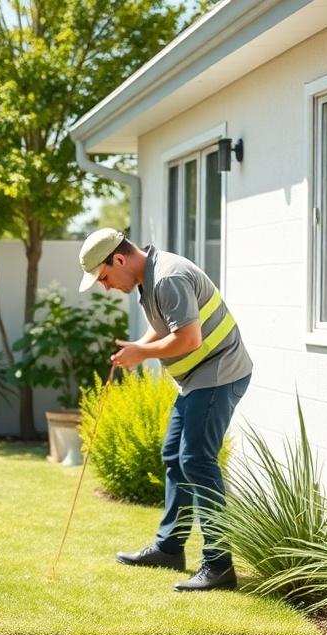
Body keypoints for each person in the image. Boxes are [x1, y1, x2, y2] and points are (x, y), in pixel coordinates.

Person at [78, 228, 252, 591]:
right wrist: (137, 346)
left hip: (219, 372)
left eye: (105, 277)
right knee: (174, 454)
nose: (106, 287)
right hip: (196, 379)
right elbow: (167, 328)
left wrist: (140, 353)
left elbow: (189, 338)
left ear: (119, 259)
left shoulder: (169, 277)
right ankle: (170, 549)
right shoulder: (150, 280)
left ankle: (219, 566)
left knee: (197, 461)